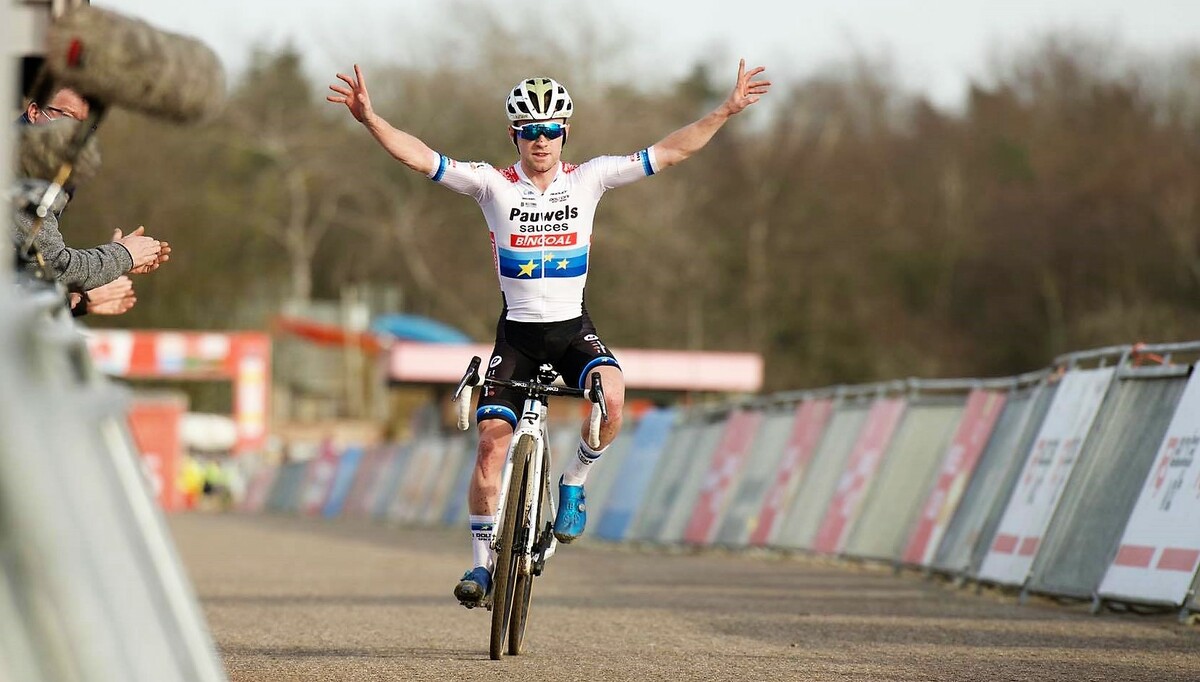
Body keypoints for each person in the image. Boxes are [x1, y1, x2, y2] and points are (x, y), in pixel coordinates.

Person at [328, 60, 770, 607]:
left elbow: (671, 151)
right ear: (515, 135)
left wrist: (726, 110)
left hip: (570, 331)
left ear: (565, 133)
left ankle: (575, 485)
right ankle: (482, 568)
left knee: (612, 395)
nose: (541, 140)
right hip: (516, 336)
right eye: (530, 131)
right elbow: (421, 158)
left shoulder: (592, 178)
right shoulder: (491, 184)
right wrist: (370, 118)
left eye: (551, 130)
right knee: (490, 449)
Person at [13, 87, 171, 297]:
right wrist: (123, 255)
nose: (75, 133)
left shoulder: (46, 173)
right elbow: (53, 267)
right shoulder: (17, 172)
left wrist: (85, 296)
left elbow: (25, 275)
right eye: (67, 117)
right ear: (34, 112)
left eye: (84, 125)